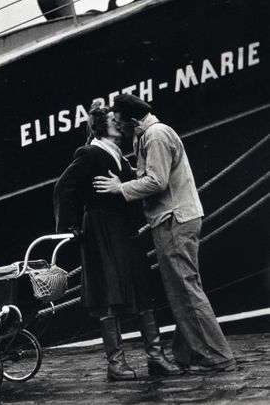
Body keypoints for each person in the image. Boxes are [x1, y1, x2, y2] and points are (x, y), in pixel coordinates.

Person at [93, 93, 236, 375]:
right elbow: (150, 172)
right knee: (182, 288)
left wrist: (119, 188)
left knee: (185, 289)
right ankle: (186, 353)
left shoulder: (155, 136)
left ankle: (217, 357)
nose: (118, 128)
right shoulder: (147, 134)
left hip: (174, 219)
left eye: (120, 123)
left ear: (133, 120)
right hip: (176, 217)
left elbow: (157, 181)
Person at [54, 101, 181, 381]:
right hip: (100, 230)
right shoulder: (89, 153)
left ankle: (155, 357)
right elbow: (63, 187)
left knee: (141, 288)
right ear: (100, 126)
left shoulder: (118, 155)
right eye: (113, 119)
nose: (119, 123)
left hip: (123, 228)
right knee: (109, 293)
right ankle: (116, 363)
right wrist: (71, 226)